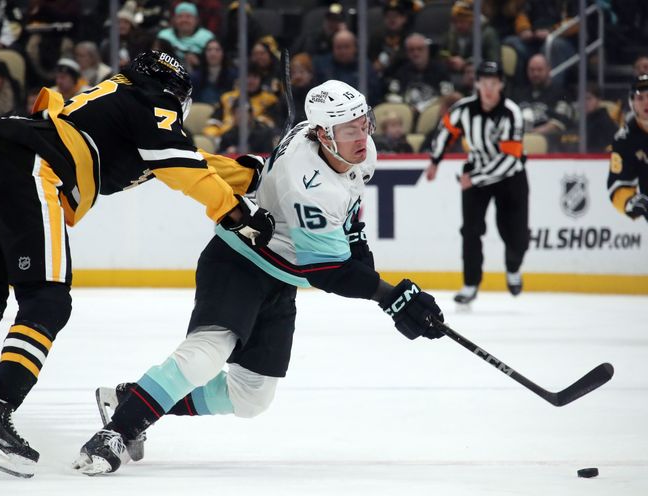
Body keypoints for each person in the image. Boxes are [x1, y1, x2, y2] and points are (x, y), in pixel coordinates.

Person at [0, 50, 275, 479]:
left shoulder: (122, 106)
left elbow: (186, 161)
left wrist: (247, 174)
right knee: (47, 302)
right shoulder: (153, 101)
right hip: (34, 167)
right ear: (173, 90)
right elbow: (177, 162)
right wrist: (235, 211)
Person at [70, 80, 445, 476]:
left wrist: (374, 276)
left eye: (362, 122)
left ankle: (133, 399)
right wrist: (390, 295)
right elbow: (327, 271)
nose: (362, 135)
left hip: (281, 278)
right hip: (239, 263)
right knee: (205, 357)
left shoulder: (353, 149)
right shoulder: (307, 185)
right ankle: (114, 434)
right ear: (323, 135)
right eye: (348, 129)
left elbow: (348, 214)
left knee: (251, 398)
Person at [425, 61, 529, 304]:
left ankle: (513, 268)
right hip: (475, 174)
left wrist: (475, 178)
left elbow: (509, 159)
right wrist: (434, 161)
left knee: (516, 234)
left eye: (493, 83)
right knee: (470, 231)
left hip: (510, 177)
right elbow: (445, 131)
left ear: (501, 85)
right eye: (484, 83)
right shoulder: (464, 109)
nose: (489, 89)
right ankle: (470, 284)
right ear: (477, 84)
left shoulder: (511, 112)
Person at [607, 74, 648, 223]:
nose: (646, 103)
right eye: (640, 98)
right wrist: (630, 201)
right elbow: (618, 184)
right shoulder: (625, 139)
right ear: (632, 103)